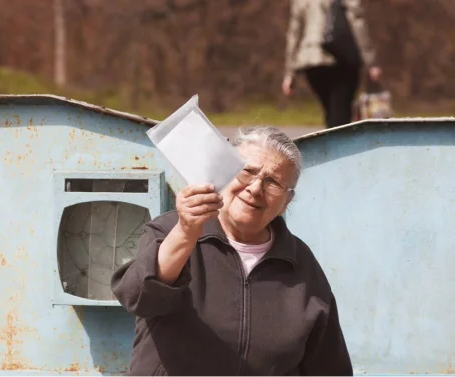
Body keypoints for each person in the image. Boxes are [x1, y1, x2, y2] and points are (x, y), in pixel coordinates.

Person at [111, 126, 352, 375]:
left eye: (273, 182)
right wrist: (185, 233)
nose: (256, 188)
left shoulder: (301, 266)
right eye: (247, 172)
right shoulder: (171, 230)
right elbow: (137, 297)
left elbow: (330, 367)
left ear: (286, 202)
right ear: (223, 173)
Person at [282, 0, 382, 128]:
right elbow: (358, 25)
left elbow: (294, 34)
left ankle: (331, 140)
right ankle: (339, 144)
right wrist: (371, 62)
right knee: (341, 115)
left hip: (312, 60)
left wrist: (290, 73)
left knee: (331, 111)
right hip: (342, 59)